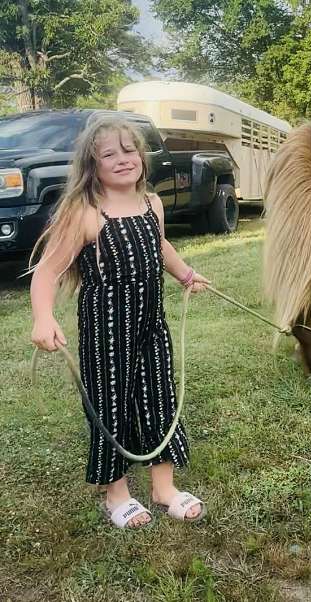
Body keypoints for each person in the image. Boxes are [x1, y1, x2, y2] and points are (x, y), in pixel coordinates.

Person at [30, 116, 210, 529]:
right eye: (109, 153)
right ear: (92, 165)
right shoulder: (85, 213)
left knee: (159, 398)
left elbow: (159, 244)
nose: (123, 159)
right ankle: (117, 495)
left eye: (130, 150)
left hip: (151, 324)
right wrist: (43, 316)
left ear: (142, 158)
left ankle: (164, 489)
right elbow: (46, 271)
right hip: (105, 332)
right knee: (112, 406)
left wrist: (184, 273)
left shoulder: (153, 203)